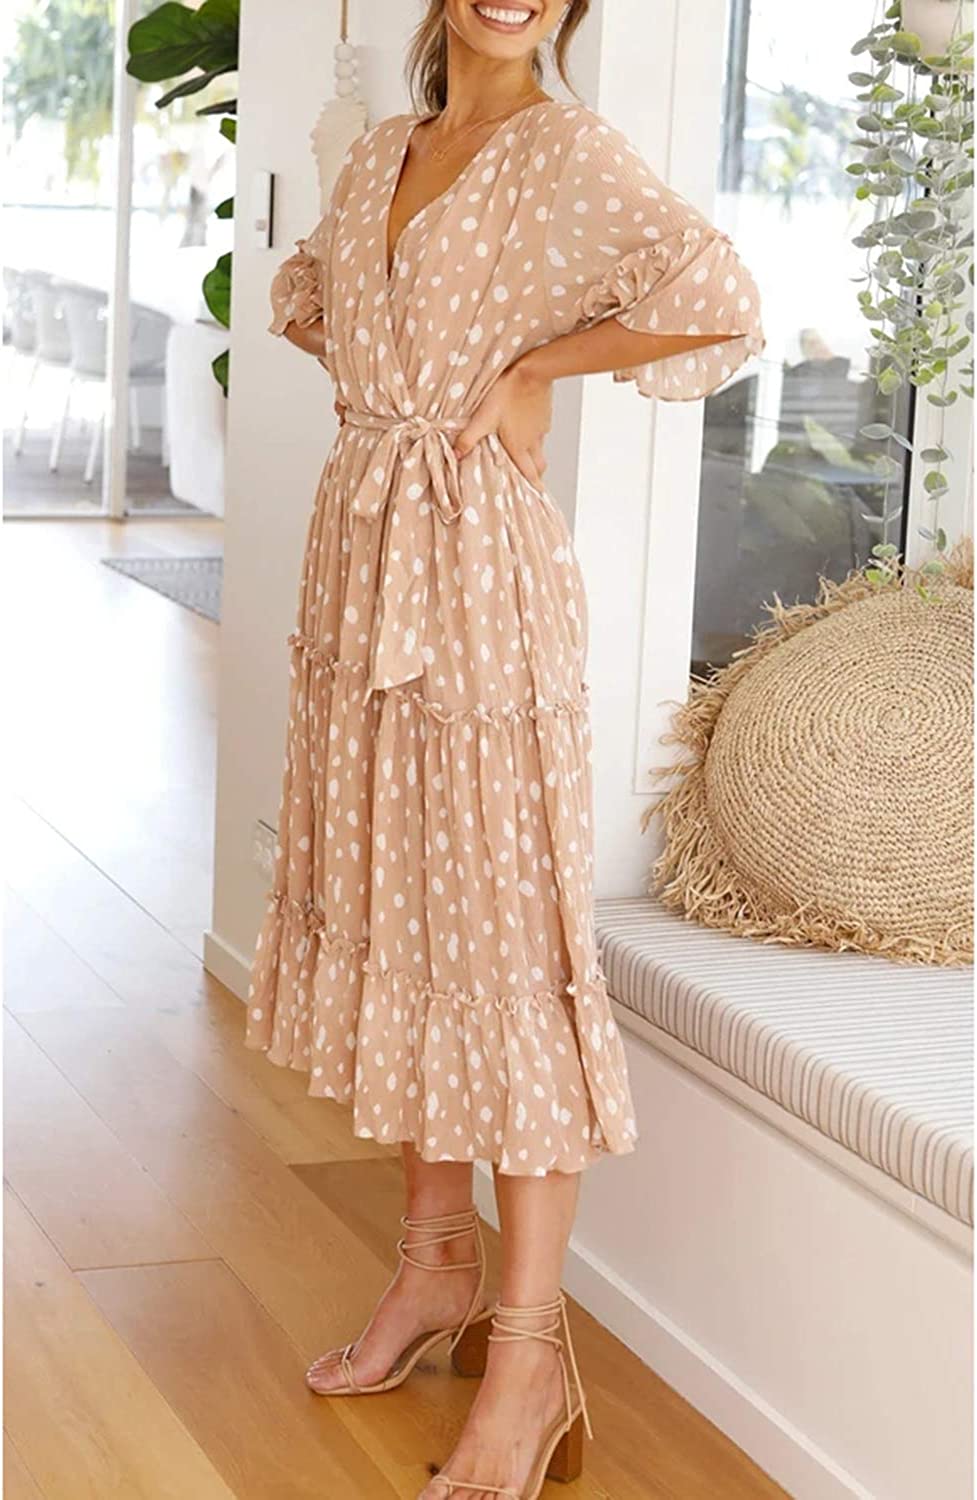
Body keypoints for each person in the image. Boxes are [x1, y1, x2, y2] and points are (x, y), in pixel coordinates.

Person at [246, 2, 765, 1496]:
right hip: (363, 566)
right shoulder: (384, 151)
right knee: (403, 919)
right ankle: (433, 1268)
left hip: (477, 576)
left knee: (498, 936)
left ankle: (530, 1355)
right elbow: (309, 296)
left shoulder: (564, 152)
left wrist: (535, 367)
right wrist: (398, 391)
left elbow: (716, 293)